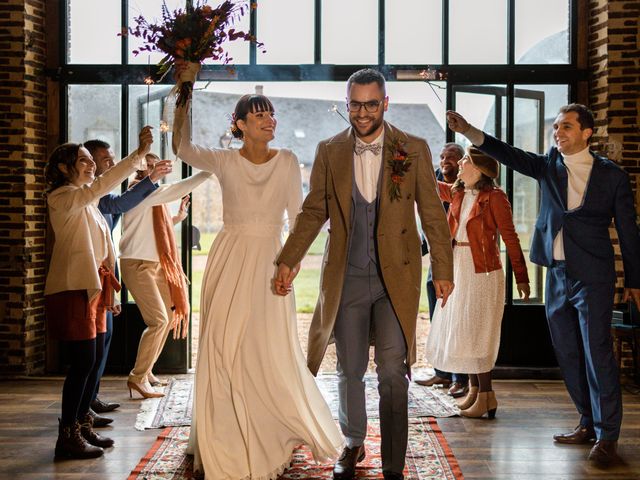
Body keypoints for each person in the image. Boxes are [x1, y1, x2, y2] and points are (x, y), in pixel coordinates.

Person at [275, 68, 454, 480]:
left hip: (397, 279)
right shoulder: (329, 150)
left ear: (385, 103)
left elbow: (432, 214)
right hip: (347, 278)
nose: (362, 112)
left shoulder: (414, 148)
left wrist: (442, 268)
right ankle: (352, 444)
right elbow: (313, 212)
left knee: (394, 371)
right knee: (349, 370)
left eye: (372, 103)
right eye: (355, 103)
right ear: (347, 103)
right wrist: (289, 258)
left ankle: (394, 463)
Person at [172, 60, 343, 479]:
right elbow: (181, 148)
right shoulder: (224, 161)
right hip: (229, 259)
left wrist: (290, 265)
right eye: (260, 114)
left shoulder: (287, 160)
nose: (270, 119)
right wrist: (186, 89)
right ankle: (224, 428)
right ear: (241, 124)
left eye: (272, 113)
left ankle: (268, 422)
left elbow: (298, 216)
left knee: (265, 344)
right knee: (223, 342)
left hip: (270, 257)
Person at [447, 104, 640, 466]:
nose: (558, 132)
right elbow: (507, 153)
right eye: (555, 127)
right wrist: (470, 130)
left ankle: (608, 435)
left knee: (597, 353)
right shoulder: (548, 166)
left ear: (586, 132)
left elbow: (629, 230)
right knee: (567, 352)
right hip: (556, 275)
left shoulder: (612, 176)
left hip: (594, 275)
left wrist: (635, 280)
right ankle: (587, 422)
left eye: (566, 126)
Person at [44, 127, 153, 459]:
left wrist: (112, 296)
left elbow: (104, 251)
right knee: (83, 362)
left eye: (92, 160)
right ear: (64, 168)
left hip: (94, 289)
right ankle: (68, 436)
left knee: (90, 364)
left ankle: (81, 424)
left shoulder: (87, 202)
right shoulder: (62, 197)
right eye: (83, 160)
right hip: (73, 288)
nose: (91, 166)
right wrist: (138, 154)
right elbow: (103, 186)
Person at [425, 146, 530, 418]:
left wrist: (521, 276)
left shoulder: (495, 197)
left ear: (480, 169)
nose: (459, 163)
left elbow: (510, 237)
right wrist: (408, 164)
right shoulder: (459, 192)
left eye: (466, 160)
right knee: (465, 330)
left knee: (478, 332)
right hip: (458, 266)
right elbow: (429, 186)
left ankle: (486, 395)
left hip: (481, 271)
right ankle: (475, 392)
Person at [119, 153, 210, 399]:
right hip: (137, 263)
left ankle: (146, 372)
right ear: (139, 169)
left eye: (155, 165)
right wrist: (208, 171)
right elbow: (176, 188)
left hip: (155, 263)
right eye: (148, 166)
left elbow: (153, 226)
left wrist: (178, 218)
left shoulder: (151, 196)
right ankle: (137, 378)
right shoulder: (139, 190)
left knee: (168, 317)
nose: (152, 169)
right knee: (158, 321)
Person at [82, 139, 162, 419]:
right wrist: (150, 176)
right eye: (105, 160)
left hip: (107, 272)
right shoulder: (87, 193)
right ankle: (83, 408)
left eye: (112, 159)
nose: (111, 165)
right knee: (92, 344)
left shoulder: (100, 193)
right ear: (90, 162)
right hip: (91, 273)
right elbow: (121, 204)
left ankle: (91, 398)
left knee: (105, 339)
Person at [415, 143, 469, 398]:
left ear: (461, 161)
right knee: (437, 316)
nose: (445, 160)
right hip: (437, 256)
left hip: (459, 257)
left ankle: (460, 377)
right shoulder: (434, 180)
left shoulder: (466, 184)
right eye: (442, 156)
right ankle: (442, 372)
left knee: (456, 319)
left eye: (451, 157)